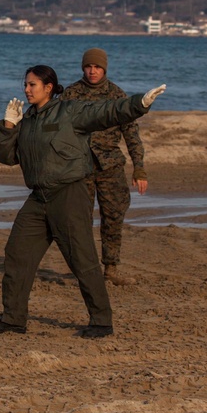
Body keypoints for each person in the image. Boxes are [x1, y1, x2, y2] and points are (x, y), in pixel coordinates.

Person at [0, 65, 165, 338]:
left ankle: (101, 321)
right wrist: (8, 126)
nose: (26, 90)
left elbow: (107, 112)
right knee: (17, 255)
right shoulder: (26, 120)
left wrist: (140, 103)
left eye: (32, 85)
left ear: (48, 87)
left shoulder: (70, 111)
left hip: (68, 194)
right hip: (38, 198)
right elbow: (6, 157)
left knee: (82, 259)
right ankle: (13, 319)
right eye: (26, 85)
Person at [62, 48, 146, 286]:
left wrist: (139, 168)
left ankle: (111, 268)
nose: (92, 71)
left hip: (110, 167)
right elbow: (57, 129)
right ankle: (86, 270)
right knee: (80, 221)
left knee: (113, 216)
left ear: (104, 69)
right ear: (83, 68)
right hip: (80, 167)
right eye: (89, 67)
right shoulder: (71, 94)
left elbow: (131, 134)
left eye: (97, 67)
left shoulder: (117, 95)